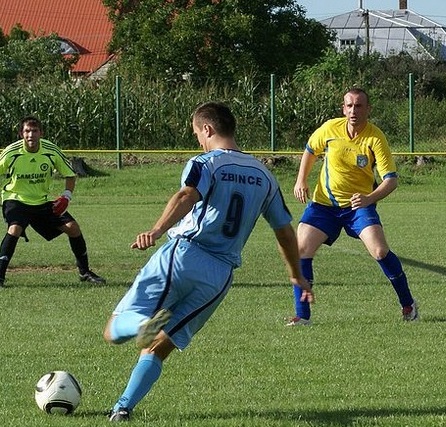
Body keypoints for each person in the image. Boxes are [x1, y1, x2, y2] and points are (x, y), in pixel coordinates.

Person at [102, 102, 314, 422]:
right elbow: (284, 230)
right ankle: (122, 408)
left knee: (112, 332)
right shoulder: (264, 175)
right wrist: (296, 274)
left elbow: (187, 196)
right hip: (218, 276)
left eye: (197, 134)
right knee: (160, 347)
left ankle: (140, 325)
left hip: (183, 255)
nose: (198, 141)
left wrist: (157, 230)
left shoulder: (206, 163)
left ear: (208, 129)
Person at [288, 87, 417, 326]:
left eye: (358, 106)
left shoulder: (375, 138)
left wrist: (369, 198)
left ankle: (408, 304)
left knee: (379, 251)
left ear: (368, 109)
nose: (353, 111)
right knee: (301, 249)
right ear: (343, 109)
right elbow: (310, 150)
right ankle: (302, 315)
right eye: (349, 106)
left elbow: (391, 180)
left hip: (358, 207)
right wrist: (301, 180)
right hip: (324, 205)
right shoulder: (330, 128)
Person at [0, 116, 105, 287]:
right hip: (16, 198)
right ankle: (0, 276)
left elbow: (70, 175)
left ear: (41, 133)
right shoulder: (11, 152)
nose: (31, 135)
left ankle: (85, 272)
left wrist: (66, 196)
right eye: (27, 131)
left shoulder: (51, 150)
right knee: (15, 228)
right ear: (21, 133)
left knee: (73, 228)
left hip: (43, 200)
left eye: (35, 131)